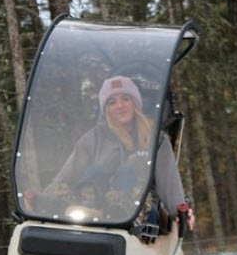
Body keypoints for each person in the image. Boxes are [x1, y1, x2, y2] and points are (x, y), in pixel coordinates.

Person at [35, 75, 194, 234]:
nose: (120, 106)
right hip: (95, 213)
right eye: (112, 102)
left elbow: (169, 181)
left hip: (139, 215)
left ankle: (119, 208)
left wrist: (181, 211)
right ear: (106, 109)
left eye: (125, 99)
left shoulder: (156, 139)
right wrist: (40, 200)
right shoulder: (93, 138)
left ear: (135, 103)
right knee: (96, 170)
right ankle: (99, 212)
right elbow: (67, 175)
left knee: (127, 172)